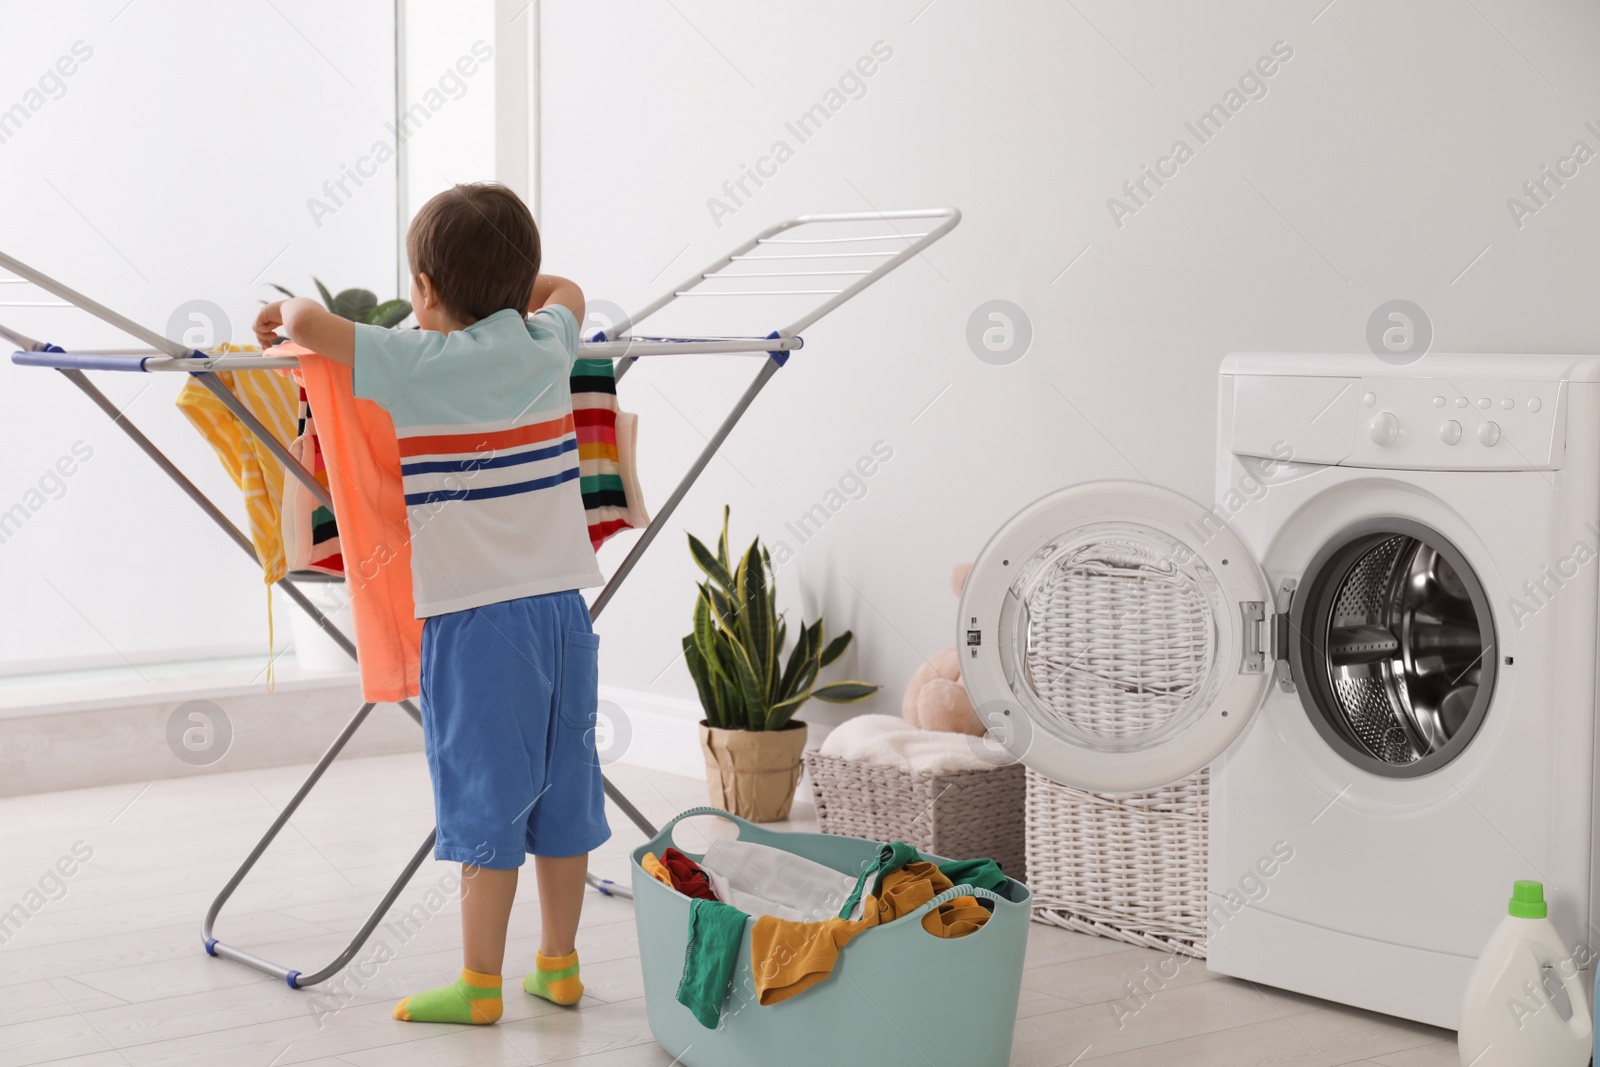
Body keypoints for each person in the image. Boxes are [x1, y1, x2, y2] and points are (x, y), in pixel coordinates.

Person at [254, 181, 609, 1025]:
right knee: (564, 792)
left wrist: (282, 314)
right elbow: (569, 293)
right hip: (563, 612)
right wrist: (517, 284)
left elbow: (307, 326)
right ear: (517, 284)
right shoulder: (544, 342)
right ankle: (559, 965)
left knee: (488, 792)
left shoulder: (414, 361)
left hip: (476, 621)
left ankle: (479, 984)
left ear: (422, 288)